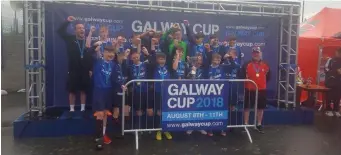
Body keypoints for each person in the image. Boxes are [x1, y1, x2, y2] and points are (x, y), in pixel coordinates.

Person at [57, 16, 91, 118]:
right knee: (72, 90)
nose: (82, 30)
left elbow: (90, 56)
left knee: (83, 90)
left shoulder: (87, 42)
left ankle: (82, 109)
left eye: (83, 28)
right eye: (79, 28)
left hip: (84, 70)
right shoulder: (70, 39)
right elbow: (60, 31)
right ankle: (71, 109)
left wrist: (90, 69)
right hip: (73, 69)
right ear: (75, 30)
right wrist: (67, 21)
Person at [240, 47, 270, 134]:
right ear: (252, 54)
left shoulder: (265, 65)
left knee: (260, 107)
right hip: (249, 89)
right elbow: (242, 75)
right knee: (247, 107)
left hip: (261, 89)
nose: (256, 54)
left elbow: (268, 77)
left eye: (257, 53)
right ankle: (245, 124)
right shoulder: (247, 64)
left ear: (260, 53)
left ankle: (259, 124)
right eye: (254, 53)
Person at [91, 45, 116, 150]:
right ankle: (99, 138)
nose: (110, 54)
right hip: (99, 90)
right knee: (100, 114)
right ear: (103, 52)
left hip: (109, 91)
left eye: (112, 53)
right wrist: (95, 48)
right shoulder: (97, 62)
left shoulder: (114, 64)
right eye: (108, 52)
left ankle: (103, 134)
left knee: (105, 113)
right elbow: (91, 53)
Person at [127, 39, 152, 128]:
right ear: (131, 58)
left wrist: (147, 53)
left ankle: (147, 128)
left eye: (136, 57)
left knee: (148, 110)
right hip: (136, 92)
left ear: (139, 56)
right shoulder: (130, 67)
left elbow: (152, 62)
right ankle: (138, 129)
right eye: (133, 58)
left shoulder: (145, 64)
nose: (135, 59)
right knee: (138, 111)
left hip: (145, 91)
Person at [150, 51, 172, 140]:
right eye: (160, 59)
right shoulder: (154, 67)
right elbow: (151, 59)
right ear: (157, 60)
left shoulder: (168, 67)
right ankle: (159, 130)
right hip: (158, 92)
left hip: (167, 93)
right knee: (159, 112)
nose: (162, 60)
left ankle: (166, 130)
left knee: (166, 111)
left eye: (163, 59)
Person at [186, 55, 208, 135]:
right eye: (197, 60)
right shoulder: (190, 68)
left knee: (200, 110)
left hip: (202, 91)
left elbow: (206, 79)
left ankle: (200, 126)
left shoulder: (204, 69)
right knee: (192, 109)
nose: (199, 62)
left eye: (200, 60)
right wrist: (193, 71)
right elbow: (191, 79)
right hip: (192, 92)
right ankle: (191, 126)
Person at [111, 47, 129, 135]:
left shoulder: (125, 65)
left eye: (123, 56)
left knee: (125, 109)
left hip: (125, 89)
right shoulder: (114, 65)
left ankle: (124, 128)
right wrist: (119, 85)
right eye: (120, 56)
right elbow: (113, 78)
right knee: (116, 109)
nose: (122, 57)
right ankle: (116, 130)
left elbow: (128, 75)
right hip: (116, 90)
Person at [324, 48, 341, 117]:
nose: (338, 54)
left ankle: (336, 110)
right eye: (338, 52)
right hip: (330, 81)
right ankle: (328, 110)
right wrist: (335, 71)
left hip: (339, 82)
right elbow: (326, 69)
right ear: (336, 52)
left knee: (337, 96)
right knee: (329, 95)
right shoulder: (331, 60)